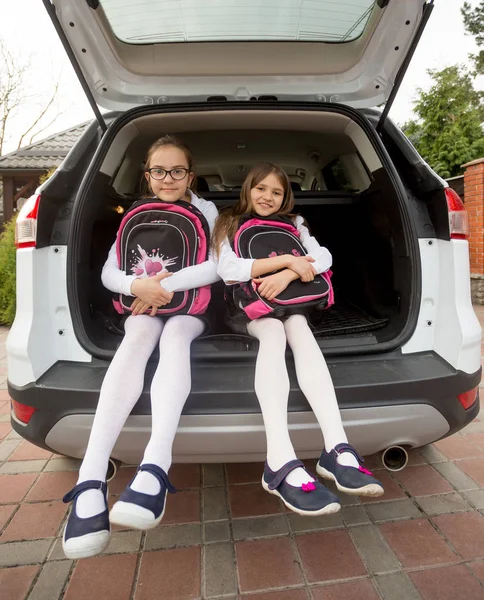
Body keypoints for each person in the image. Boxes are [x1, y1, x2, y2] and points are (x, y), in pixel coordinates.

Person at [62, 135, 220, 558]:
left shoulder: (206, 210)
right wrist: (137, 286)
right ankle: (90, 478)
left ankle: (155, 463)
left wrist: (163, 286)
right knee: (135, 338)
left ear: (191, 174)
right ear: (146, 174)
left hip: (189, 305)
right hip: (143, 301)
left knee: (174, 337)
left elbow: (218, 263)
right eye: (158, 171)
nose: (168, 179)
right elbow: (110, 270)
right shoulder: (133, 213)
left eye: (178, 171)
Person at [213, 162, 384, 517]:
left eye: (277, 192)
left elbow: (323, 257)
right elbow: (227, 270)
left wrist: (289, 272)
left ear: (285, 197)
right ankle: (279, 457)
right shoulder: (227, 221)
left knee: (300, 329)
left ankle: (337, 447)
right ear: (248, 189)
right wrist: (288, 260)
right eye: (261, 189)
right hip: (247, 307)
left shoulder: (296, 223)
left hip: (290, 300)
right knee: (274, 331)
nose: (268, 197)